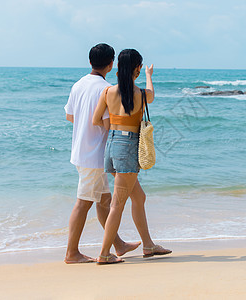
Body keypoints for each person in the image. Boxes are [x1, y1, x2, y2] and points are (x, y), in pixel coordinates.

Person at [93, 49, 171, 264]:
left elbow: (96, 119)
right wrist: (148, 76)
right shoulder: (141, 94)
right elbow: (152, 96)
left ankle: (148, 245)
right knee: (118, 204)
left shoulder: (108, 91)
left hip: (112, 145)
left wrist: (115, 132)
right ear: (136, 67)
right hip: (128, 147)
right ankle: (104, 254)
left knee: (139, 197)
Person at [64, 43, 140, 263]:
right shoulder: (105, 88)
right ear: (111, 64)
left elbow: (70, 116)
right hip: (95, 154)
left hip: (81, 150)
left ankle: (118, 244)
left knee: (104, 200)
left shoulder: (78, 85)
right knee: (84, 202)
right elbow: (108, 124)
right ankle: (71, 253)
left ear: (90, 62)